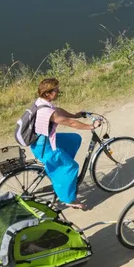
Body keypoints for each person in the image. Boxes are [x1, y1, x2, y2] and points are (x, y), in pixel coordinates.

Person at [30, 77, 95, 210]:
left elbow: (58, 111)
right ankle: (70, 200)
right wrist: (91, 127)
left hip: (44, 140)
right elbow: (70, 123)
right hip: (44, 147)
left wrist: (75, 115)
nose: (58, 91)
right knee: (71, 167)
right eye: (55, 90)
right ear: (48, 93)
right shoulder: (46, 111)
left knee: (74, 139)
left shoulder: (42, 102)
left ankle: (61, 173)